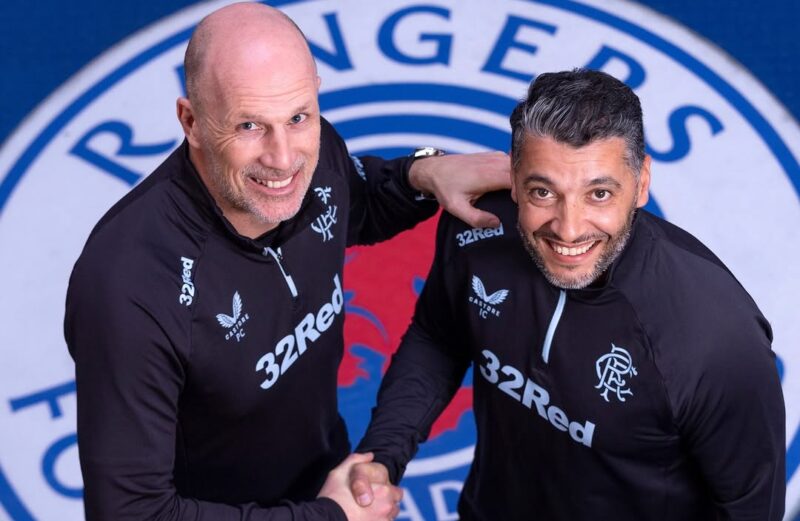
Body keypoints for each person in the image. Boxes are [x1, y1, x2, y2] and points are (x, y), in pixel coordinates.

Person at [64, 3, 509, 520]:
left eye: (299, 117)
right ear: (191, 121)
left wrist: (421, 175)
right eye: (249, 125)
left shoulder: (310, 158)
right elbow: (131, 513)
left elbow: (356, 204)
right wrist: (330, 517)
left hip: (321, 482)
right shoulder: (130, 285)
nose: (282, 159)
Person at [352, 69, 786, 520]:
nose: (569, 229)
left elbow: (750, 508)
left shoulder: (715, 338)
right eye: (543, 192)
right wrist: (383, 455)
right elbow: (439, 336)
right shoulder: (479, 222)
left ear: (641, 183)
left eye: (599, 194)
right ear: (514, 177)